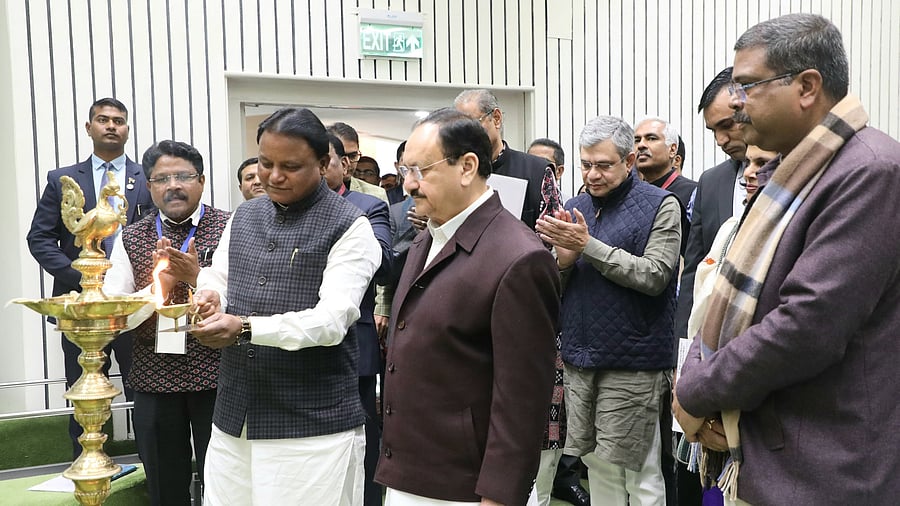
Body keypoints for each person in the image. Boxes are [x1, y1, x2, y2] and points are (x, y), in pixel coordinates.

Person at [674, 13, 900, 505]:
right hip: (772, 452)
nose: (736, 103)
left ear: (807, 86)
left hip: (821, 467)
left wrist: (694, 391)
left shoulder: (870, 172)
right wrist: (695, 379)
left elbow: (805, 327)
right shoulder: (793, 171)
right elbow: (720, 296)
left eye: (747, 86)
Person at [190, 107, 380, 505]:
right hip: (234, 420)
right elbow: (219, 277)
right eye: (265, 163)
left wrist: (244, 328)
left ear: (326, 163)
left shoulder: (351, 226)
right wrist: (209, 297)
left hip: (312, 428)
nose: (273, 176)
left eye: (290, 166)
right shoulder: (244, 215)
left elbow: (331, 321)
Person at [375, 108, 560, 506]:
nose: (408, 185)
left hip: (463, 485)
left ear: (467, 166)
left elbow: (522, 400)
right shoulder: (428, 236)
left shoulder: (518, 258)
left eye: (421, 171)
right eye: (405, 170)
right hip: (409, 470)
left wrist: (499, 494)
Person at [536, 115, 682, 506]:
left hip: (635, 362)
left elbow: (656, 275)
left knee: (642, 474)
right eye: (586, 165)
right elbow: (562, 286)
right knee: (595, 468)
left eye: (603, 165)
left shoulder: (662, 205)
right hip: (581, 359)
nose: (592, 174)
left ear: (629, 161)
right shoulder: (575, 205)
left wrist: (588, 246)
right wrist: (564, 262)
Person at [103, 140, 230, 506]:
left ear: (201, 181)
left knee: (224, 478)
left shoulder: (230, 226)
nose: (173, 185)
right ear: (149, 186)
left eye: (183, 176)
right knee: (162, 481)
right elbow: (118, 312)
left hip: (219, 374)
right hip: (154, 376)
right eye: (161, 179)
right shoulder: (131, 236)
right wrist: (161, 286)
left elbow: (241, 293)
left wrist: (197, 275)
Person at [26, 97, 155, 459]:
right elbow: (39, 238)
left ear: (127, 129)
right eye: (103, 120)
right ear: (89, 128)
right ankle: (86, 468)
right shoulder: (63, 179)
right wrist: (83, 279)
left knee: (141, 391)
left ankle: (150, 472)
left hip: (131, 307)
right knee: (83, 388)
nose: (112, 126)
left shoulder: (147, 177)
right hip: (81, 309)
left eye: (119, 121)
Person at [325, 133, 393, 506]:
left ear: (344, 164)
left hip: (355, 338)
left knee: (363, 436)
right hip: (294, 344)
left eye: (327, 161)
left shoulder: (366, 205)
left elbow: (384, 264)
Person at [527, 137, 590, 506]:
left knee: (549, 449)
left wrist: (565, 259)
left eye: (545, 171)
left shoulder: (570, 215)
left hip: (556, 337)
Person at [674, 67, 749, 341]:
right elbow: (694, 271)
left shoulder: (795, 172)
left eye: (728, 125)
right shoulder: (712, 181)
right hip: (714, 338)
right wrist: (682, 353)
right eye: (713, 130)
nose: (720, 140)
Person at [454, 89, 553, 229]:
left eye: (473, 124)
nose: (466, 135)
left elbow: (553, 237)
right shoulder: (454, 171)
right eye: (460, 129)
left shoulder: (537, 170)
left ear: (496, 118)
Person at [328, 122, 389, 204]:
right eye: (341, 156)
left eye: (352, 156)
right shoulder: (310, 190)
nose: (348, 163)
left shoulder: (376, 195)